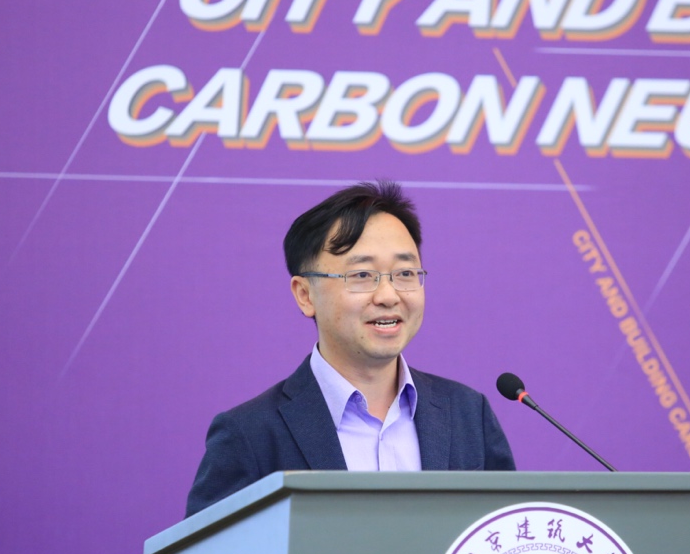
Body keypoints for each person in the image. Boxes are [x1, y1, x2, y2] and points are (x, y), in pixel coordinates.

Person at [186, 181, 515, 516]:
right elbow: (212, 550)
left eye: (405, 273)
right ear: (305, 295)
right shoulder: (250, 434)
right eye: (362, 275)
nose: (388, 296)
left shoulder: (468, 415)